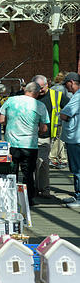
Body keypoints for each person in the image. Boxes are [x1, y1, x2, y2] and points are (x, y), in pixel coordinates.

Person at [0, 82, 49, 202]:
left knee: (11, 172)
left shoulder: (10, 101)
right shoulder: (40, 105)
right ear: (36, 93)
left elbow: (1, 120)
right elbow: (44, 128)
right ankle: (28, 198)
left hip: (11, 144)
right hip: (29, 145)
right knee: (28, 173)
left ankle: (10, 198)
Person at [32, 75, 57, 198]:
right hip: (29, 136)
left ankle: (44, 189)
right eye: (37, 88)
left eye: (42, 87)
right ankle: (34, 188)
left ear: (48, 84)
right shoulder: (28, 95)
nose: (40, 90)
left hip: (44, 136)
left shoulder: (55, 95)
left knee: (43, 163)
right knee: (31, 164)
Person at [57, 72, 80, 208]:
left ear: (71, 82)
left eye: (66, 85)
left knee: (77, 168)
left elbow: (65, 114)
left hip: (76, 138)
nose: (66, 88)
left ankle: (79, 196)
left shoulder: (77, 96)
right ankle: (77, 194)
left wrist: (62, 115)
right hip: (75, 137)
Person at [49, 72, 70, 170]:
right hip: (61, 117)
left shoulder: (52, 89)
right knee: (60, 139)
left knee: (56, 138)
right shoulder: (65, 90)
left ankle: (63, 158)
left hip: (52, 117)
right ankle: (53, 157)